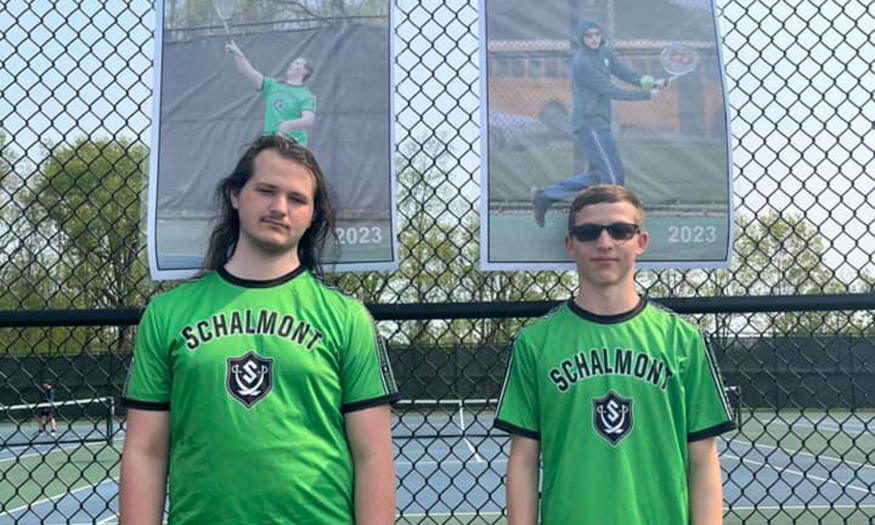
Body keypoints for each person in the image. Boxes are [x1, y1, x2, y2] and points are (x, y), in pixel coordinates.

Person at [119, 135, 398, 525]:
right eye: (266, 190)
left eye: (297, 199)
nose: (279, 207)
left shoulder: (347, 317)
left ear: (313, 212)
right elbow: (146, 450)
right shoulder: (166, 314)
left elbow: (372, 456)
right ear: (235, 195)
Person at [495, 185, 736, 524]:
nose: (604, 243)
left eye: (620, 231)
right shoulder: (534, 343)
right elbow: (523, 459)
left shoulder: (683, 340)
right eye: (588, 232)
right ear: (570, 245)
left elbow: (702, 459)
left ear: (641, 242)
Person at [531, 20, 665, 227]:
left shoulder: (605, 53)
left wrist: (651, 82)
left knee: (598, 177)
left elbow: (626, 74)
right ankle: (613, 219)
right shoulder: (582, 63)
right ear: (582, 39)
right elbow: (610, 90)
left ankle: (545, 196)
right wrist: (647, 95)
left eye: (596, 34)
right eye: (588, 35)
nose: (594, 39)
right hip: (588, 122)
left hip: (600, 122)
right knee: (612, 178)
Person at [226, 40, 317, 147]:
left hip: (294, 145)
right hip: (270, 142)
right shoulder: (273, 85)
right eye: (292, 62)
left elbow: (308, 120)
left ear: (306, 71)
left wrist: (288, 125)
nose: (291, 64)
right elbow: (249, 72)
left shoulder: (306, 95)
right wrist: (237, 53)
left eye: (297, 63)